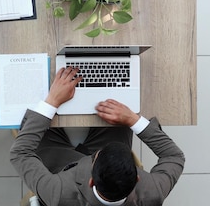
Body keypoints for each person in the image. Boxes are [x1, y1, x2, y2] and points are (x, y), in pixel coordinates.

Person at [10, 67, 185, 206]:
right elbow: (174, 156)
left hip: (60, 163)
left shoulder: (59, 194)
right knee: (116, 103)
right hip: (101, 165)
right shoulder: (152, 193)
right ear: (136, 179)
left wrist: (53, 101)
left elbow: (20, 154)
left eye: (97, 155)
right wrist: (133, 120)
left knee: (35, 104)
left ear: (91, 180)